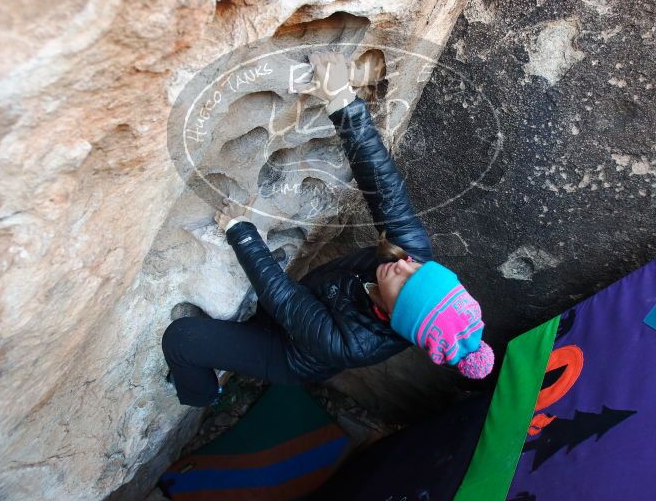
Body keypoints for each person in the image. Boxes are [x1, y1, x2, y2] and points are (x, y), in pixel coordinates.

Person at [161, 52, 494, 407]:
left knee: (181, 340)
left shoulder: (354, 342)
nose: (405, 265)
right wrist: (343, 101)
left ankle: (203, 395)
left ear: (399, 317)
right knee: (254, 319)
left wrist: (241, 231)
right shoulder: (410, 254)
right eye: (420, 268)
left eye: (407, 282)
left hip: (289, 352)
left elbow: (286, 300)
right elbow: (384, 187)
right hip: (301, 306)